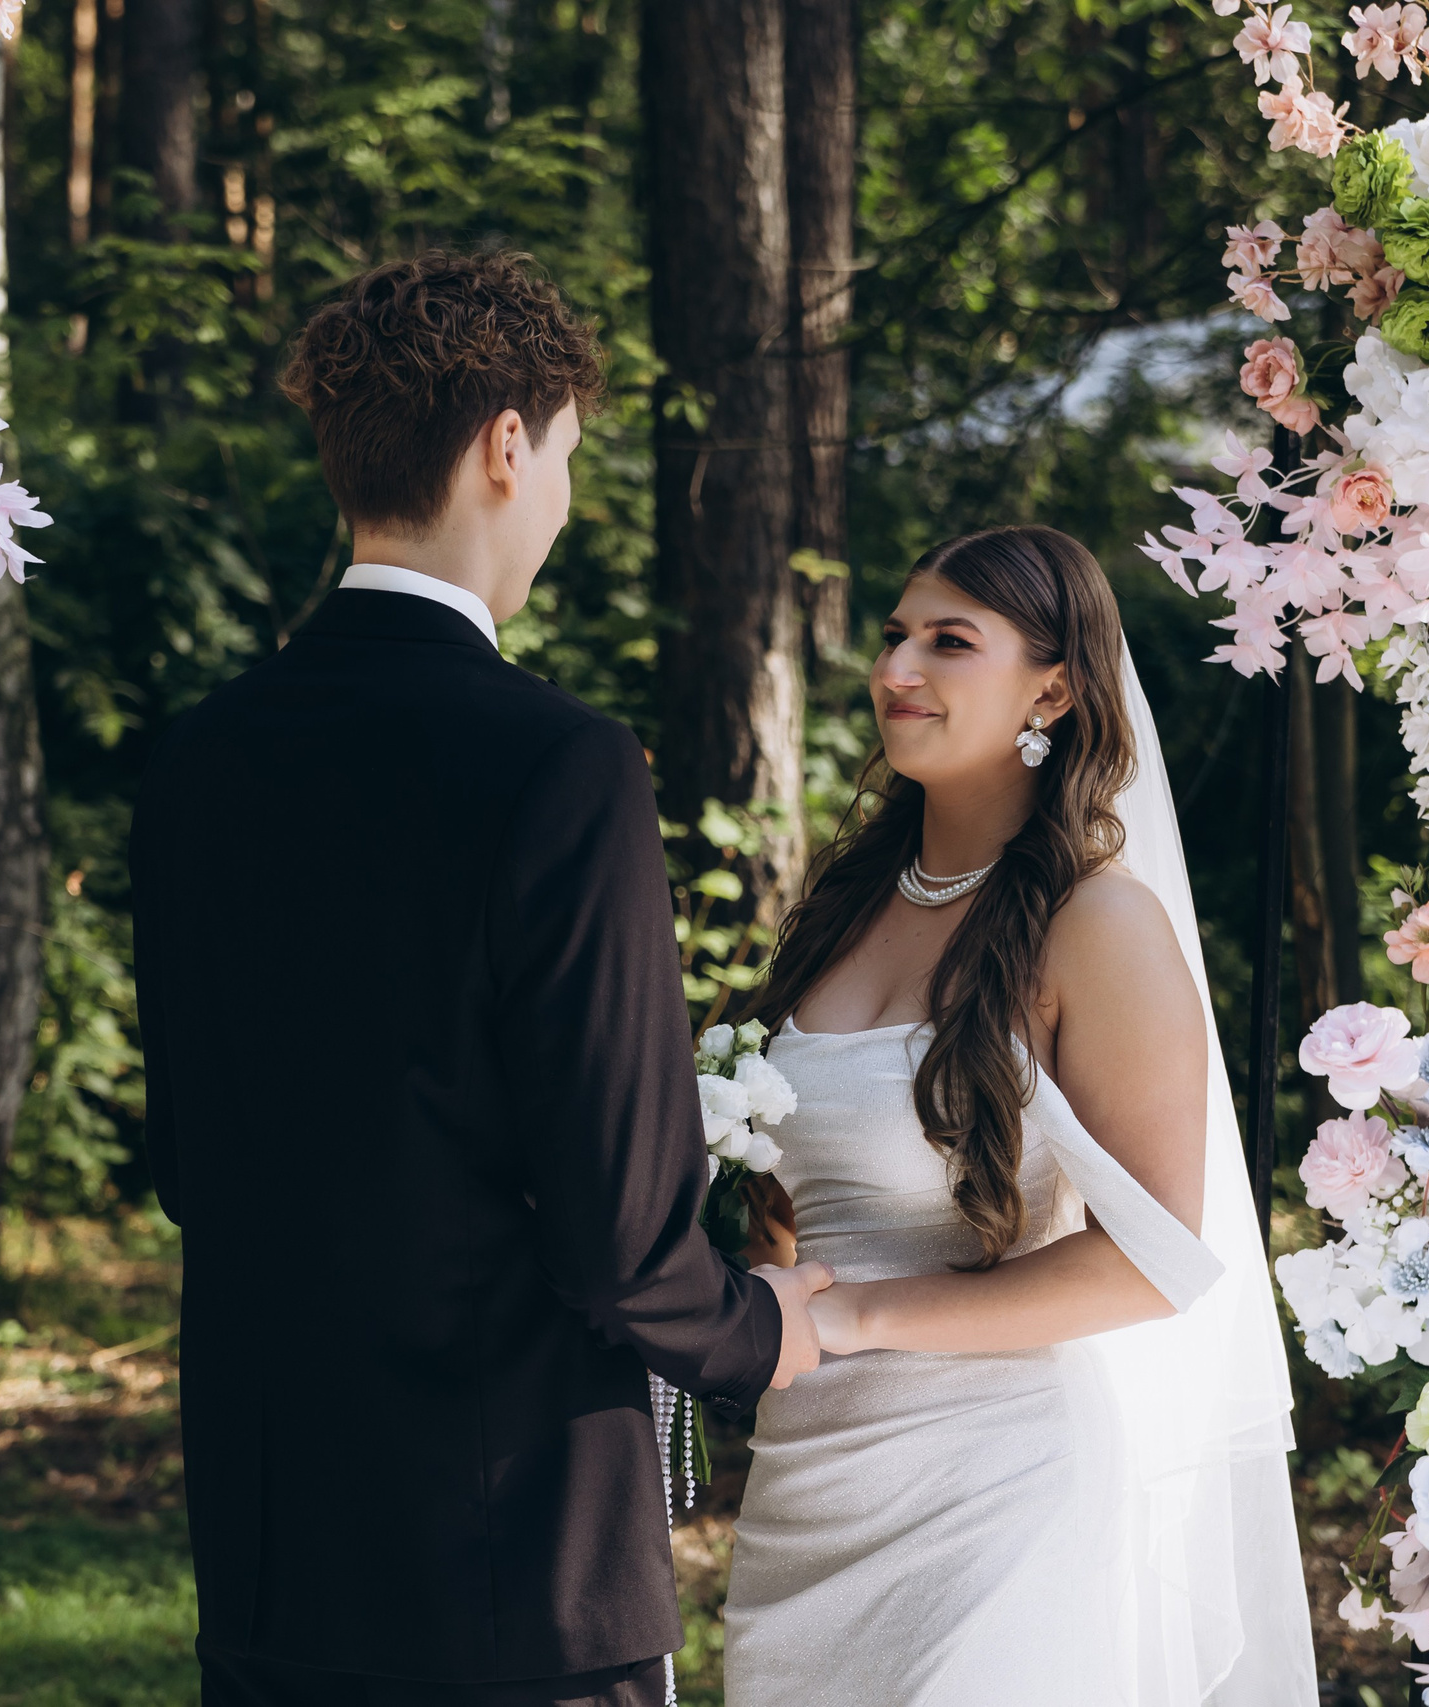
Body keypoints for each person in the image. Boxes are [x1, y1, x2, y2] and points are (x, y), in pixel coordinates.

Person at [132, 250, 834, 1707]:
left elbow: (193, 1159)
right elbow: (624, 1235)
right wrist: (759, 1329)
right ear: (507, 445)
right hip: (513, 1559)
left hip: (274, 1543)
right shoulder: (559, 762)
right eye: (568, 455)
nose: (565, 501)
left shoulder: (197, 757)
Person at [721, 526, 1318, 1705]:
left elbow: (1151, 1267)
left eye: (949, 642)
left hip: (999, 1497)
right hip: (807, 1491)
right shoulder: (839, 909)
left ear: (1052, 685)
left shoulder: (1098, 924)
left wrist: (856, 1322)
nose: (897, 669)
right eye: (895, 636)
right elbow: (789, 1206)